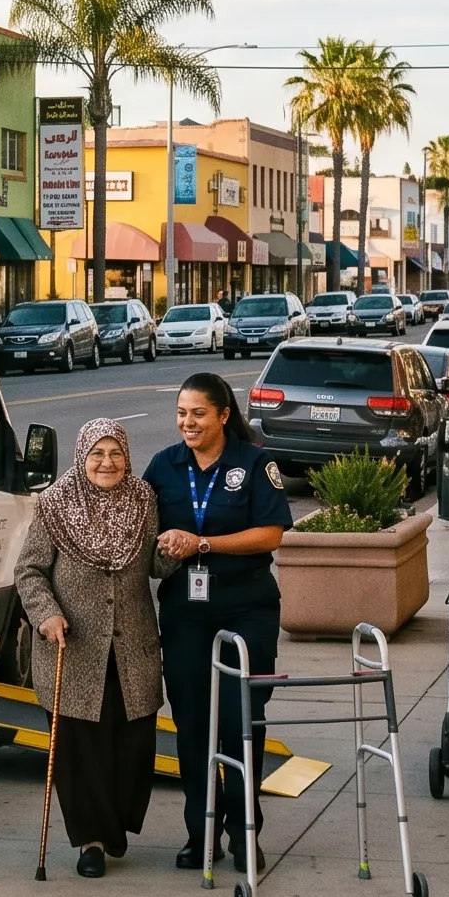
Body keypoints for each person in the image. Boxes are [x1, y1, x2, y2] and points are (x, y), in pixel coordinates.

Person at [145, 372, 295, 868]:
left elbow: (271, 533)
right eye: (182, 413)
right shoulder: (164, 467)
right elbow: (134, 524)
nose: (187, 422)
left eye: (198, 414)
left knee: (239, 721)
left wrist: (202, 544)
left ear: (224, 415)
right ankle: (200, 833)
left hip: (245, 604)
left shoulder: (255, 463)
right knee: (191, 723)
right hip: (186, 610)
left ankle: (244, 831)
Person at [15, 418, 166, 878]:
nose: (107, 462)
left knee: (133, 746)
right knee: (81, 753)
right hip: (73, 649)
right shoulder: (55, 504)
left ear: (127, 455)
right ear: (82, 457)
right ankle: (90, 840)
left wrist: (173, 554)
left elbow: (155, 566)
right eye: (97, 454)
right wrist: (46, 615)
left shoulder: (143, 500)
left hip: (131, 648)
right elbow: (29, 571)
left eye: (115, 453)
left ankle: (114, 826)